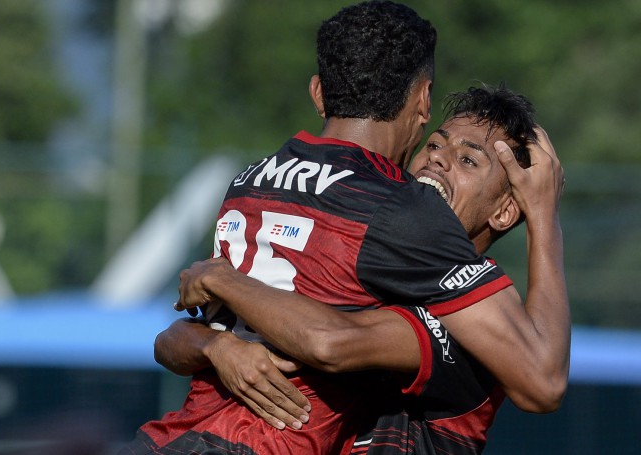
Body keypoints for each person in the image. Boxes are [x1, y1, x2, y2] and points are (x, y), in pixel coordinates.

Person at [120, 1, 567, 453]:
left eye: (468, 160)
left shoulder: (253, 182)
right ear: (422, 102)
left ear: (318, 93)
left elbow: (330, 340)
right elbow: (173, 338)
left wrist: (222, 280)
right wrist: (218, 349)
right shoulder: (383, 235)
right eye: (435, 144)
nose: (438, 159)